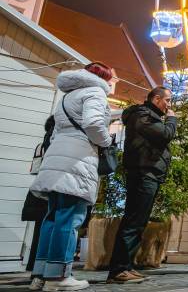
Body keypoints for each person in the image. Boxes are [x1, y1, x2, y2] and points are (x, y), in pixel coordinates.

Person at [29, 62, 114, 291]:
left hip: (57, 157)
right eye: (112, 77)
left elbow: (56, 131)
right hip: (78, 159)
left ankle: (41, 275)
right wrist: (107, 141)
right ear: (103, 77)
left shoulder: (67, 97)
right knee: (70, 217)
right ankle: (59, 277)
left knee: (52, 218)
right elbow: (94, 124)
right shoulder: (95, 92)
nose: (113, 82)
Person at [107, 86, 178, 284]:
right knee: (133, 222)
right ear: (157, 99)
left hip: (148, 173)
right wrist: (172, 119)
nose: (169, 105)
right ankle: (118, 270)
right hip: (143, 173)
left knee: (138, 222)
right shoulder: (142, 115)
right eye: (168, 100)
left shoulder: (147, 115)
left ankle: (126, 266)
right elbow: (165, 134)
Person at [22, 116, 55, 273]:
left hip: (38, 190)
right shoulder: (57, 144)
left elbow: (35, 170)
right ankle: (48, 267)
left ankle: (33, 266)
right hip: (52, 191)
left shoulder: (40, 146)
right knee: (52, 229)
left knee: (39, 230)